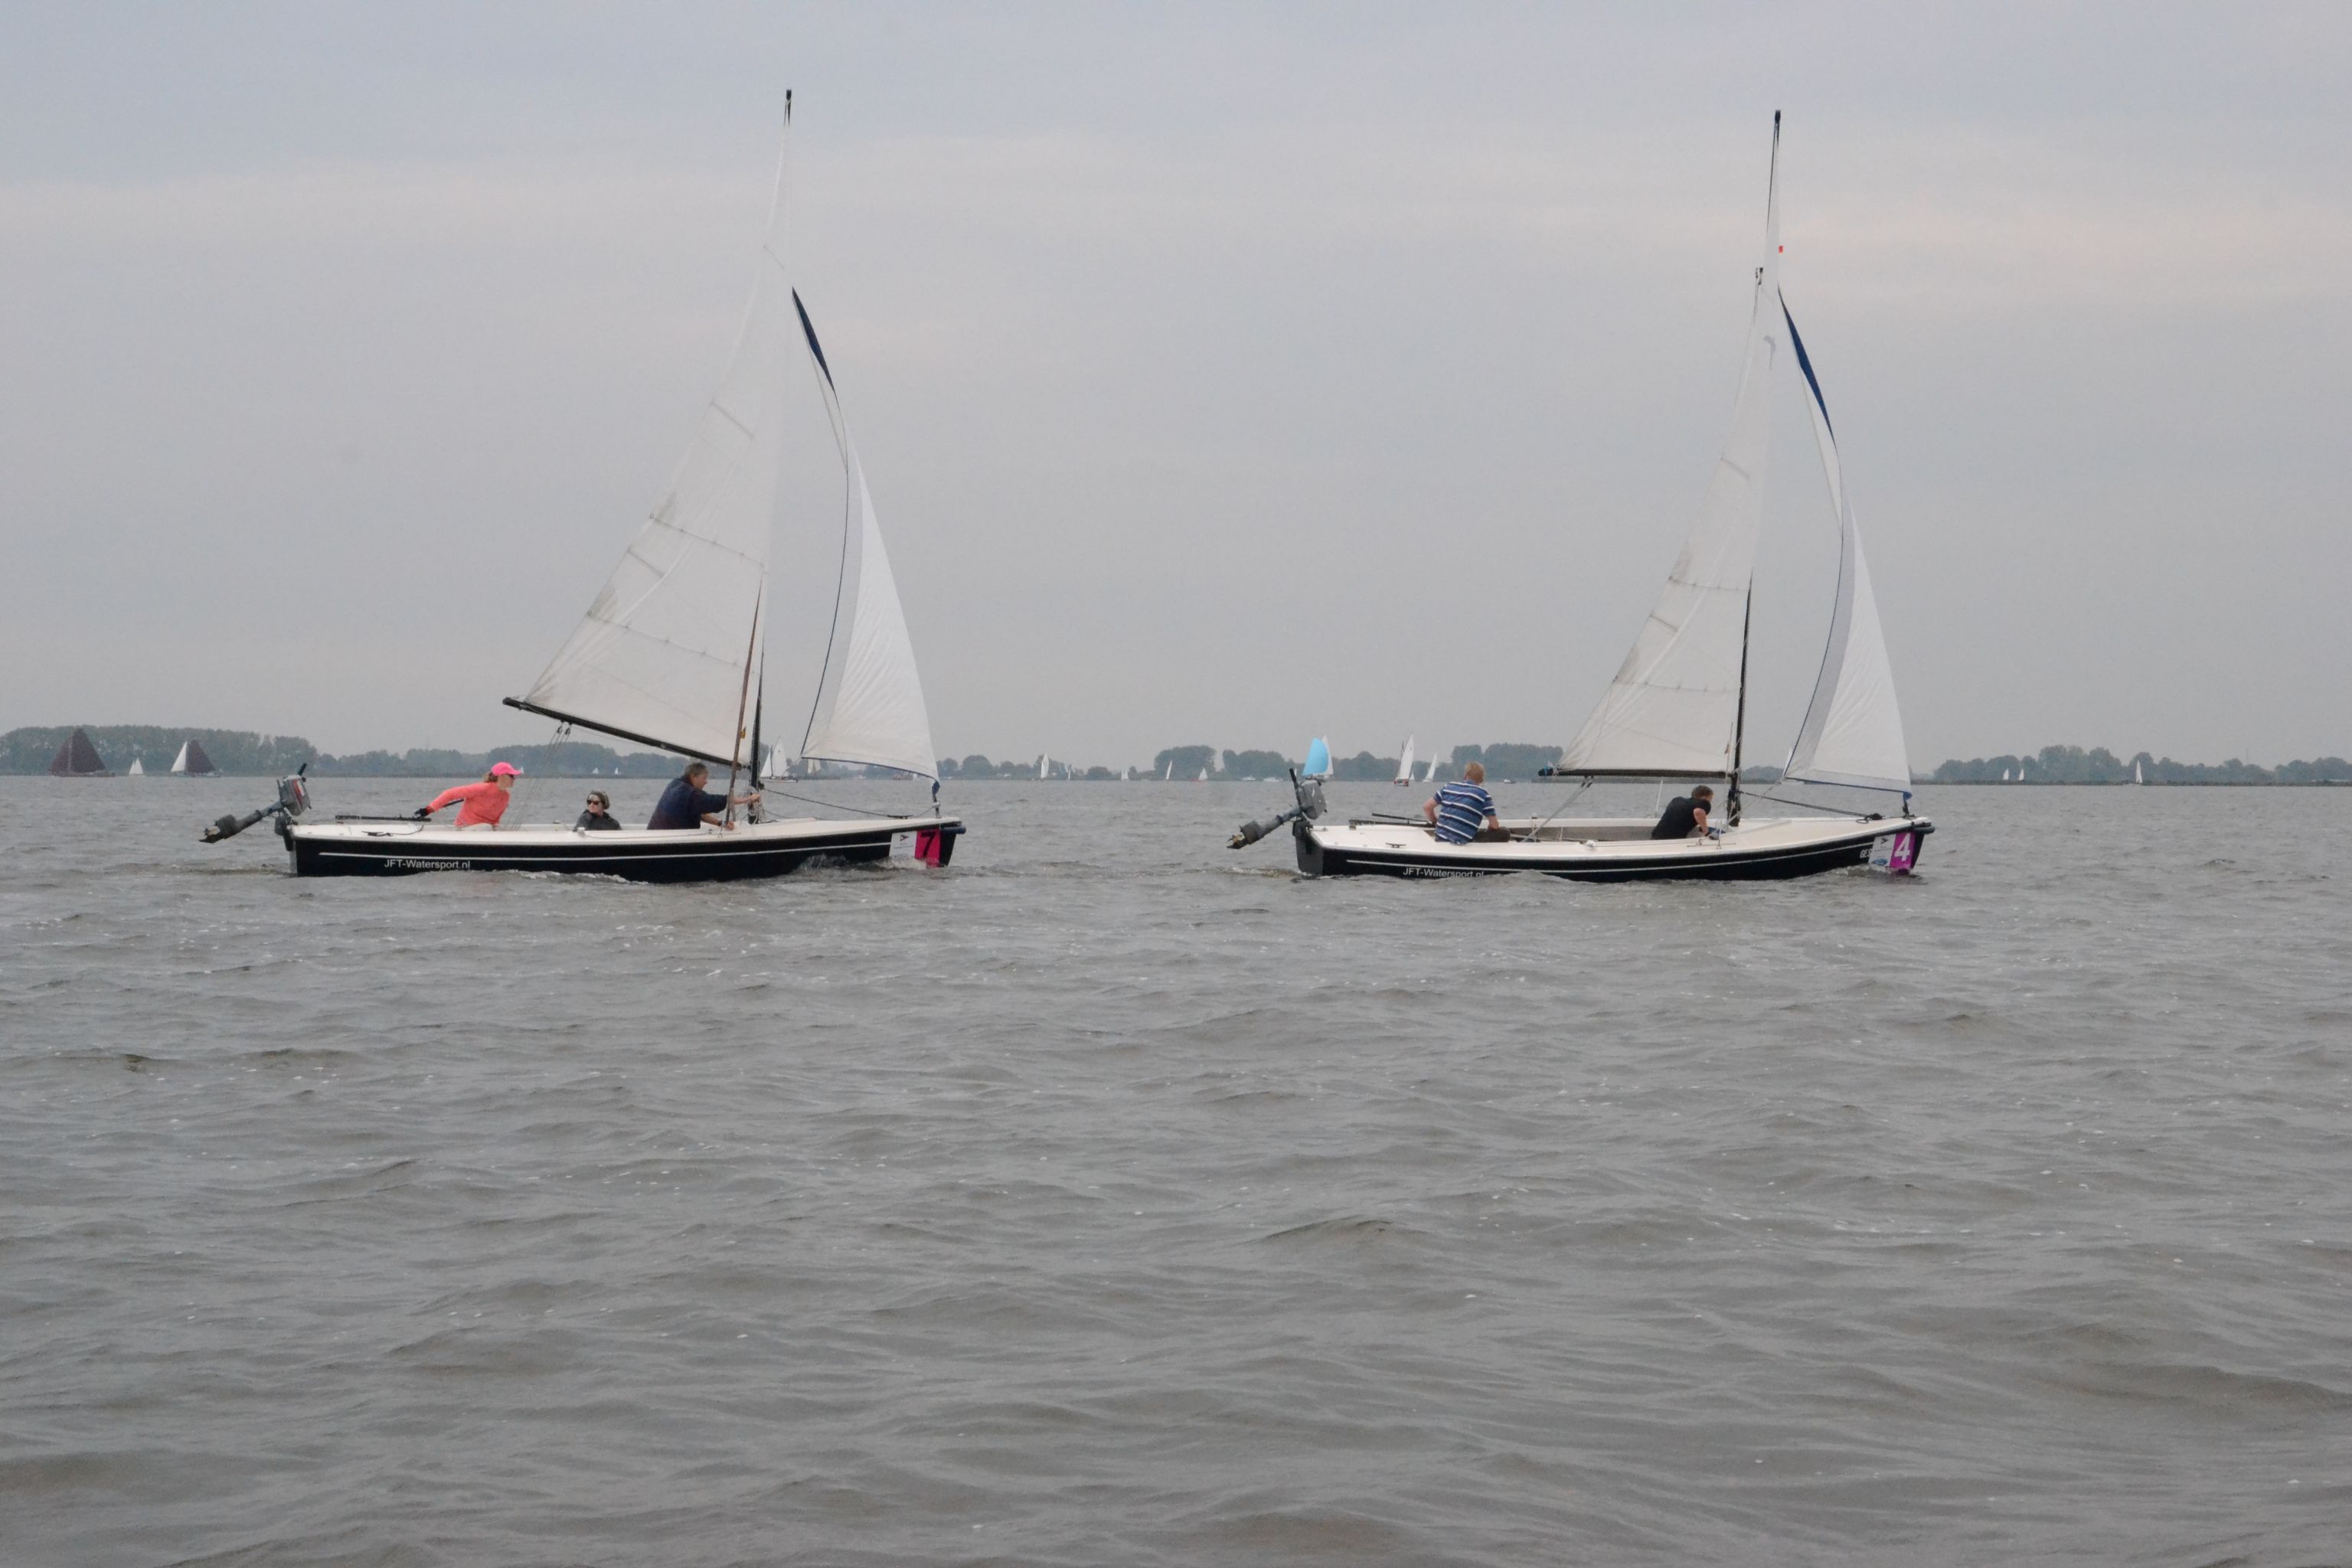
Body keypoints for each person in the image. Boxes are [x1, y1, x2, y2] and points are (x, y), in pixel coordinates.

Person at [647, 762, 759, 831]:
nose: (706, 782)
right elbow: (715, 801)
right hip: (667, 842)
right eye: (704, 778)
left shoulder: (675, 784)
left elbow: (698, 812)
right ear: (693, 777)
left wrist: (720, 823)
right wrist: (748, 799)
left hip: (655, 833)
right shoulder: (689, 793)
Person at [419, 762, 520, 829]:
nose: (514, 779)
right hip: (465, 828)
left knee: (498, 829)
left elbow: (495, 821)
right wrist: (429, 809)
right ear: (501, 776)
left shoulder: (506, 796)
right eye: (511, 776)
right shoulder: (482, 788)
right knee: (486, 828)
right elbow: (449, 794)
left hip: (484, 831)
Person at [1425, 760, 1503, 844]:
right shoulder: (1483, 794)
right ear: (1481, 780)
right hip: (1461, 843)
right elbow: (1494, 825)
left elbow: (1427, 807)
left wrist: (1435, 822)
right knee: (1505, 833)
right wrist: (1488, 832)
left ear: (1465, 775)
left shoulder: (1449, 786)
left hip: (1439, 839)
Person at [1650, 784, 1714, 840]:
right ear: (1704, 797)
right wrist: (1706, 833)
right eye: (1710, 798)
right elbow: (1698, 812)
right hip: (1674, 840)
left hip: (1656, 836)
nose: (1710, 801)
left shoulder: (1677, 800)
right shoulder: (1704, 803)